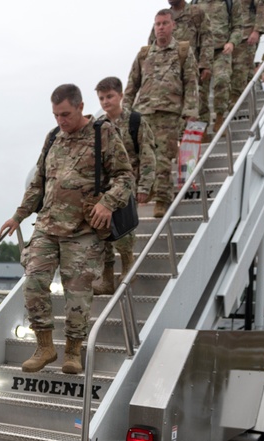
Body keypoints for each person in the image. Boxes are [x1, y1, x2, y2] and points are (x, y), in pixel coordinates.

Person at [0, 84, 134, 375]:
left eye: (66, 114)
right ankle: (45, 346)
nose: (61, 120)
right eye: (56, 115)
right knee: (34, 282)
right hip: (47, 226)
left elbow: (125, 177)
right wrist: (18, 216)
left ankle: (73, 351)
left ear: (81, 107)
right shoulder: (52, 138)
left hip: (84, 229)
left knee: (78, 293)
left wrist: (108, 203)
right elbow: (38, 182)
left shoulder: (103, 133)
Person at [125, 10, 201, 219]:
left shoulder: (182, 51)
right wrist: (124, 112)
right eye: (157, 24)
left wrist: (190, 112)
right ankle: (146, 190)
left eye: (165, 23)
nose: (160, 27)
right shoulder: (144, 54)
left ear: (172, 25)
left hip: (169, 113)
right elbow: (132, 85)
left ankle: (162, 199)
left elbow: (191, 83)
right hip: (144, 113)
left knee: (163, 158)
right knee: (142, 157)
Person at [94, 76, 156, 293]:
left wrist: (144, 187)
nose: (105, 101)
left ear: (120, 95)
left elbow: (147, 154)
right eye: (101, 98)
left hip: (128, 183)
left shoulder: (135, 121)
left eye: (109, 96)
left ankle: (129, 263)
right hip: (105, 187)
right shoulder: (99, 124)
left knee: (124, 229)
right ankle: (107, 277)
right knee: (102, 232)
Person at [192, 0, 247, 131]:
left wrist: (232, 42)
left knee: (222, 80)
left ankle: (220, 117)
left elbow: (238, 27)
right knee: (199, 92)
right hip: (201, 54)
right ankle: (203, 128)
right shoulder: (194, 4)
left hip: (222, 51)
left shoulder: (230, 2)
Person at [231, 0, 264, 107]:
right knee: (239, 74)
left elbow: (261, 7)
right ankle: (244, 106)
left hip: (247, 37)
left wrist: (257, 30)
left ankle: (238, 108)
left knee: (241, 71)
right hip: (232, 37)